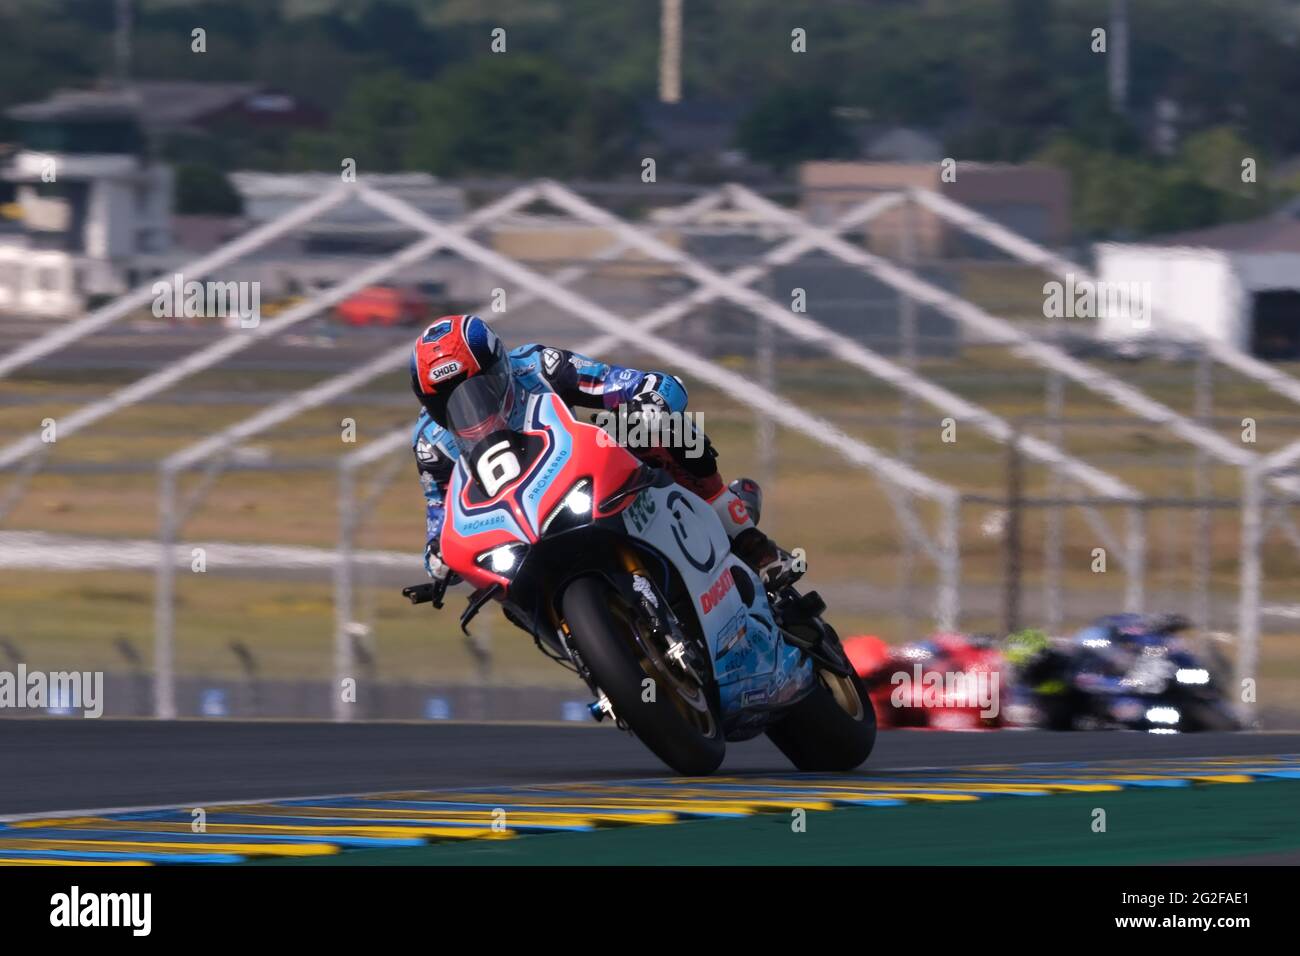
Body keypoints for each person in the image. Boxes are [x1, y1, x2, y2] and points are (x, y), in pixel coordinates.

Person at [409, 313, 800, 591]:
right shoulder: (431, 443)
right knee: (498, 592)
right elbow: (440, 513)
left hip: (582, 479)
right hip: (517, 526)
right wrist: (436, 557)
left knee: (657, 425)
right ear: (430, 407)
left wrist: (649, 400)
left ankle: (748, 539)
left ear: (500, 367)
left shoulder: (537, 366)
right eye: (450, 402)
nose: (472, 409)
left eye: (479, 388)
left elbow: (636, 383)